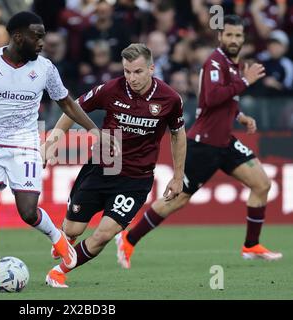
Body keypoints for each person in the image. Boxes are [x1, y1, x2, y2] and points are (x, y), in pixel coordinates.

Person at [0, 11, 111, 293]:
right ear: (18, 37)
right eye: (37, 36)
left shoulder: (45, 69)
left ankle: (57, 238)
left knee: (27, 212)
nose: (43, 41)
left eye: (43, 35)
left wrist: (94, 130)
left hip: (25, 145)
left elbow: (66, 102)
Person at [115, 15, 283, 270]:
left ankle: (250, 245)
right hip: (204, 144)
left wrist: (239, 115)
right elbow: (212, 98)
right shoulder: (215, 62)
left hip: (224, 141)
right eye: (229, 35)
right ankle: (128, 238)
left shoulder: (231, 63)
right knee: (177, 200)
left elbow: (225, 100)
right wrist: (245, 81)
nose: (234, 40)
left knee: (262, 183)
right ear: (220, 36)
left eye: (238, 35)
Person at [42, 43, 187, 288]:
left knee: (104, 234)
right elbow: (72, 108)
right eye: (127, 72)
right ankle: (65, 238)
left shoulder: (170, 99)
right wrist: (52, 142)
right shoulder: (111, 89)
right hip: (104, 166)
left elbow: (177, 135)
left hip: (136, 178)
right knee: (73, 229)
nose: (131, 78)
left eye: (138, 72)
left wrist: (177, 176)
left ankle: (59, 271)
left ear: (152, 68)